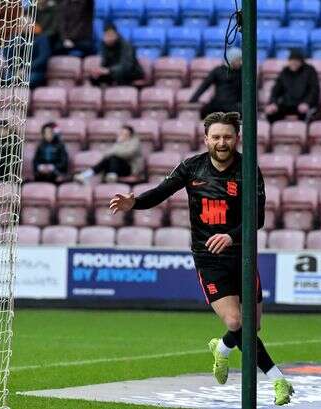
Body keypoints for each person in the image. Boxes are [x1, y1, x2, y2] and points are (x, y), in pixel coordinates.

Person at [109, 112, 295, 406]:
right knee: (236, 320)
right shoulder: (191, 167)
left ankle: (221, 348)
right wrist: (135, 203)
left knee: (252, 326)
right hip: (208, 258)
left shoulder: (248, 169)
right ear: (206, 138)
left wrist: (231, 236)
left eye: (228, 137)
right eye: (216, 137)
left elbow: (257, 218)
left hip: (242, 256)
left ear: (236, 138)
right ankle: (278, 380)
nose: (222, 142)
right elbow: (160, 192)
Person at [265, 48, 319, 123]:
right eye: (291, 61)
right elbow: (276, 90)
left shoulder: (310, 71)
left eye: (296, 61)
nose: (293, 63)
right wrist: (273, 103)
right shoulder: (285, 72)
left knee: (306, 116)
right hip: (287, 104)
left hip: (303, 104)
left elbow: (314, 90)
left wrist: (307, 103)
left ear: (301, 62)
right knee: (271, 114)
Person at [74, 125, 143, 183]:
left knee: (113, 158)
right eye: (121, 133)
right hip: (117, 168)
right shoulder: (119, 142)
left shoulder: (134, 142)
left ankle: (111, 176)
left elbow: (128, 153)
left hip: (130, 169)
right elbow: (106, 154)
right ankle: (85, 175)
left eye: (125, 134)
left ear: (130, 135)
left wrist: (114, 151)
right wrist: (117, 146)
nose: (122, 135)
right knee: (107, 160)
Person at [189, 48, 242, 119]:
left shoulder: (242, 73)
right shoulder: (218, 71)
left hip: (233, 105)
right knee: (203, 112)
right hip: (217, 104)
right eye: (238, 60)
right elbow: (204, 85)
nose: (241, 62)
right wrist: (193, 100)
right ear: (231, 60)